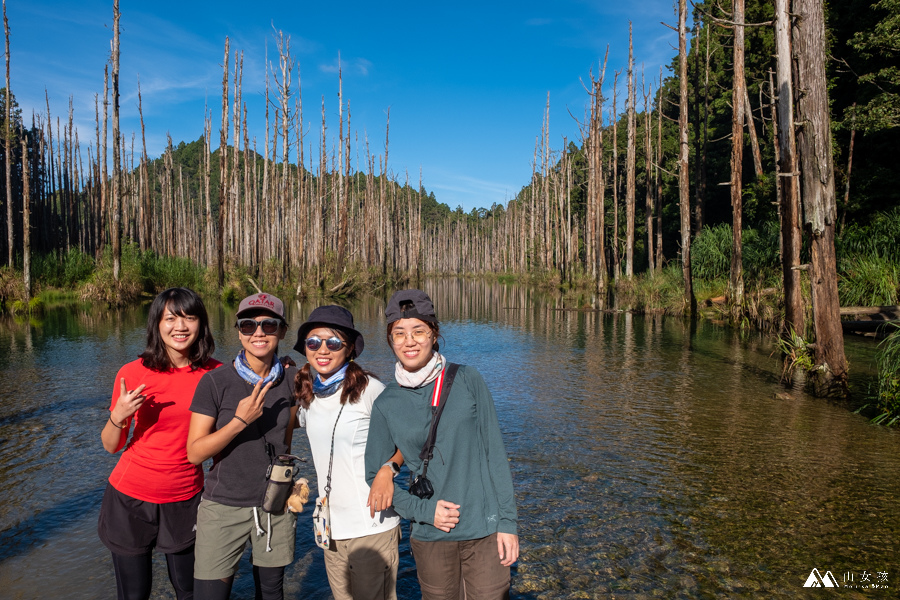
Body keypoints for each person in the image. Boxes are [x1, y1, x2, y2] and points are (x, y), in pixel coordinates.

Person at [364, 289, 519, 600]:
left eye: (418, 331)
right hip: (430, 535)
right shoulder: (385, 404)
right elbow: (372, 478)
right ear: (391, 340)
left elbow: (494, 455)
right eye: (399, 333)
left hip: (484, 531)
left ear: (434, 334)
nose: (409, 341)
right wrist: (423, 510)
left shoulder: (468, 380)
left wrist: (507, 523)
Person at [99, 287, 220, 600]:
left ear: (201, 324)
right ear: (156, 324)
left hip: (186, 497)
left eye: (189, 318)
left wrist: (283, 367)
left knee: (190, 590)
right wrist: (119, 415)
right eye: (171, 318)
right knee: (134, 594)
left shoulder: (218, 375)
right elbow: (112, 446)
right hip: (129, 498)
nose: (180, 327)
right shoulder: (132, 373)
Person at [186, 292, 299, 600]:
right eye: (248, 325)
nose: (258, 332)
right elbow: (194, 453)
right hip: (223, 505)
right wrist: (239, 421)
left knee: (271, 593)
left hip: (274, 503)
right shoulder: (215, 382)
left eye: (268, 325)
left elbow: (287, 437)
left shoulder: (293, 378)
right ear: (238, 330)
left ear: (283, 331)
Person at [293, 305, 403, 600]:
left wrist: (388, 470)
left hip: (371, 524)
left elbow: (410, 437)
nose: (322, 349)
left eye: (333, 342)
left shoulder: (370, 389)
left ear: (350, 348)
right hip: (331, 529)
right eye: (314, 342)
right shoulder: (307, 394)